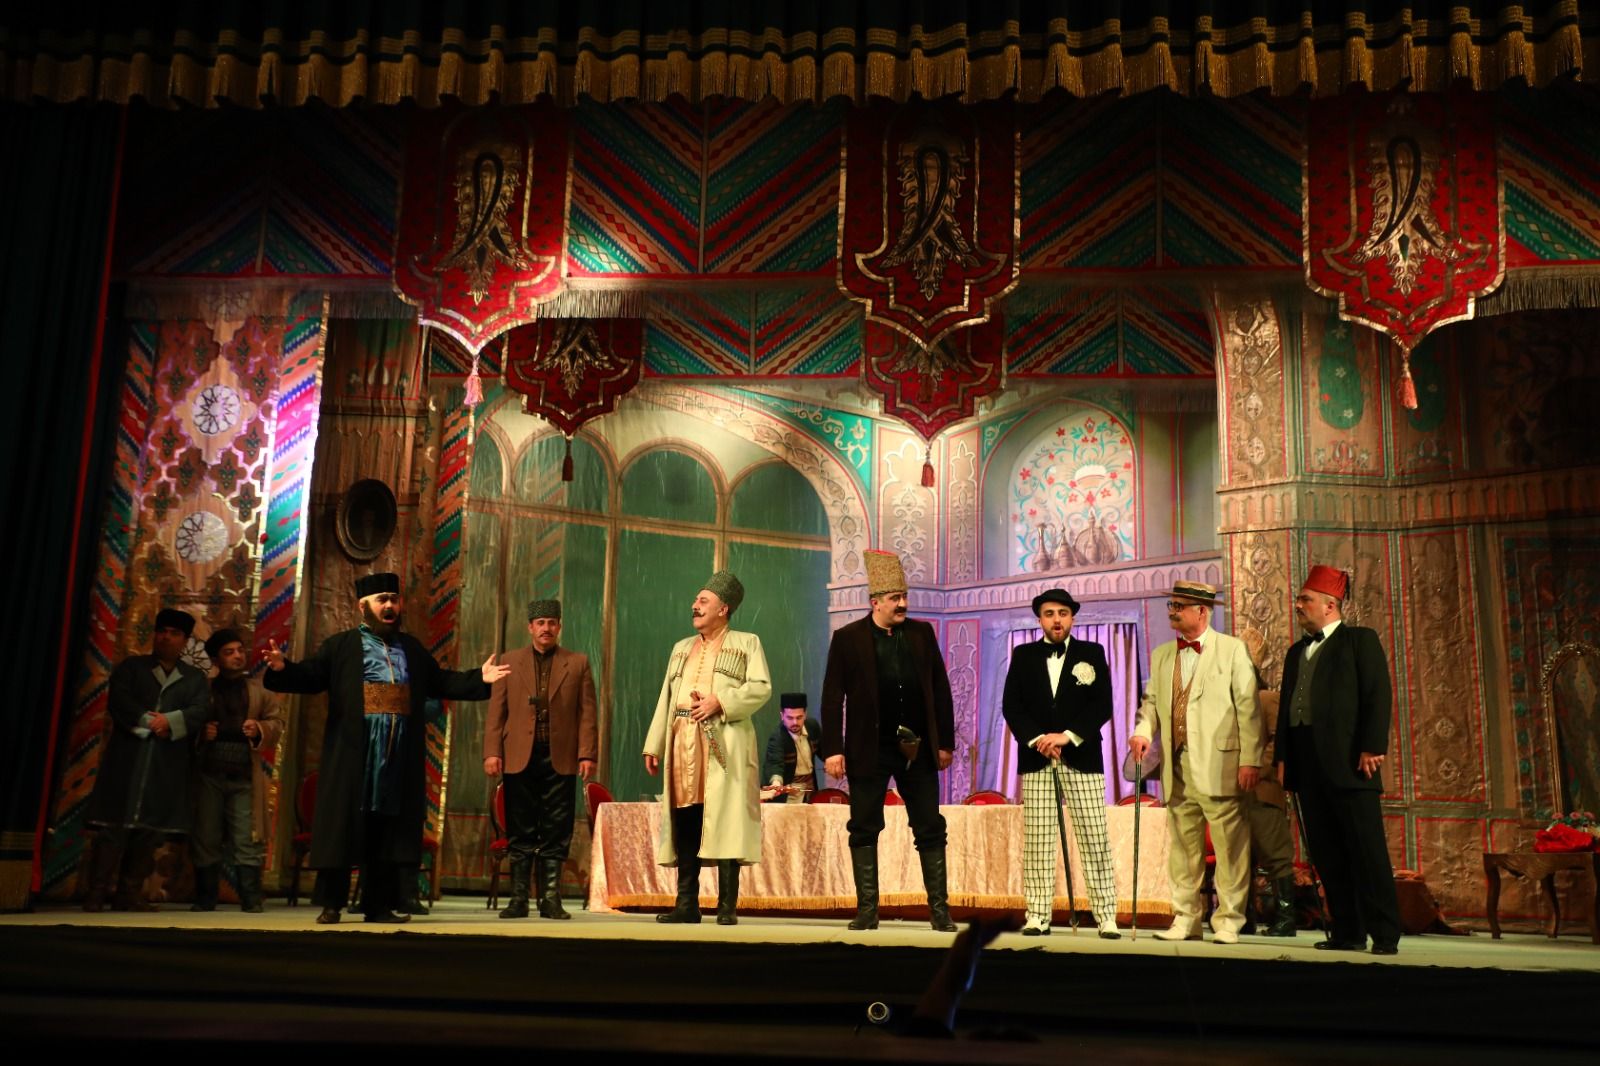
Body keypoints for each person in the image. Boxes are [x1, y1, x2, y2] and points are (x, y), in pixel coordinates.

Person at [263, 572, 510, 924]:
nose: (390, 606)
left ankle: (378, 906)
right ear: (363, 606)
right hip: (354, 753)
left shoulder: (411, 648)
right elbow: (311, 676)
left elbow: (440, 681)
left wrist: (478, 678)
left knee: (388, 831)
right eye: (382, 600)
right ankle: (332, 905)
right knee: (345, 826)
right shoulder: (341, 646)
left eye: (394, 599)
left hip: (396, 757)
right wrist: (282, 669)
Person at [821, 549, 958, 932]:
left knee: (930, 825)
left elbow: (940, 689)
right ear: (875, 602)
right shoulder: (848, 638)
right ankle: (867, 910)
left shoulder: (921, 633)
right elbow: (832, 697)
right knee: (864, 825)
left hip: (918, 749)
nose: (903, 604)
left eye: (904, 597)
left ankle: (940, 911)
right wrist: (832, 749)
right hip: (869, 749)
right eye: (896, 598)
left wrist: (944, 743)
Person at [1277, 565, 1402, 955]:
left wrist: (1371, 745)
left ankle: (1385, 934)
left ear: (1330, 605)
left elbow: (1377, 694)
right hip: (1308, 764)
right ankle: (1347, 931)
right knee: (1327, 854)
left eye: (1306, 599)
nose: (1298, 605)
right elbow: (1285, 710)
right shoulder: (1296, 652)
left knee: (1366, 851)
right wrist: (1283, 758)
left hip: (1350, 763)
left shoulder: (1359, 641)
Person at [1130, 580, 1261, 944]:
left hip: (1221, 764)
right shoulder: (1162, 655)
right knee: (1183, 848)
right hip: (1177, 765)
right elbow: (1151, 702)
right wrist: (1142, 731)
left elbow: (1248, 708)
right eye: (1171, 605)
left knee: (1229, 847)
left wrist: (1250, 760)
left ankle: (1229, 920)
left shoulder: (1231, 650)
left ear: (1202, 611)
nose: (1172, 612)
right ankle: (1186, 918)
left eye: (1179, 606)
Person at [642, 571, 771, 925]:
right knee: (686, 817)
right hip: (682, 741)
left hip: (724, 742)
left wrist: (721, 702)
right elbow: (666, 697)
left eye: (703, 601)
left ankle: (727, 906)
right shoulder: (681, 648)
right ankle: (687, 904)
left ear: (723, 609)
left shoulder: (747, 643)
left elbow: (761, 687)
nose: (694, 606)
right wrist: (654, 744)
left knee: (726, 817)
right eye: (696, 600)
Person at [1000, 588, 1121, 939]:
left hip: (1082, 756)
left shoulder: (1092, 653)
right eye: (1050, 614)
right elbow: (1012, 706)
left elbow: (1102, 705)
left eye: (1063, 613)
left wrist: (1067, 736)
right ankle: (1037, 914)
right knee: (1038, 840)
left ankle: (1106, 915)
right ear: (1040, 619)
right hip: (1037, 758)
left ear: (1072, 618)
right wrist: (1039, 739)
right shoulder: (1023, 655)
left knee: (1094, 836)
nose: (1057, 620)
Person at [83, 608, 211, 912]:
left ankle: (128, 893)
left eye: (174, 633)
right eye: (162, 631)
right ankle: (96, 893)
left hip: (165, 763)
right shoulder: (133, 668)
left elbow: (199, 711)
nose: (166, 637)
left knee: (150, 829)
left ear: (185, 640)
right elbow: (120, 700)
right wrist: (147, 721)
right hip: (128, 757)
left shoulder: (194, 678)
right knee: (113, 826)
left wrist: (169, 721)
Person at [483, 597, 599, 919]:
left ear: (559, 626)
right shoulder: (509, 661)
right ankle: (518, 899)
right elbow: (497, 712)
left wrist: (587, 754)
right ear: (530, 627)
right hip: (518, 755)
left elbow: (588, 714)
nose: (546, 628)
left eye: (552, 622)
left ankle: (550, 900)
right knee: (519, 827)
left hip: (560, 756)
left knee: (557, 828)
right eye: (540, 623)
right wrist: (492, 751)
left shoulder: (577, 663)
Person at [191, 627, 284, 913]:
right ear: (216, 659)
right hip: (210, 773)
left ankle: (251, 898)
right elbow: (187, 720)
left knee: (247, 837)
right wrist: (202, 733)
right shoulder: (203, 689)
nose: (237, 656)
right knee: (206, 835)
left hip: (244, 774)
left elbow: (277, 723)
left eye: (240, 650)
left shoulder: (258, 689)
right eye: (229, 652)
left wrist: (259, 728)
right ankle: (205, 899)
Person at [1245, 686, 1297, 936]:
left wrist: (1257, 769)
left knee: (1275, 853)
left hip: (1262, 789)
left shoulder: (1266, 699)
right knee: (1239, 857)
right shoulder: (1231, 702)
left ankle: (1286, 918)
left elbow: (1280, 741)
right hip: (1235, 793)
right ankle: (1243, 917)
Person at [762, 693, 821, 803]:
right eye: (790, 718)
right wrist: (776, 783)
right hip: (789, 793)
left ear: (805, 714)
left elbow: (824, 751)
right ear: (782, 716)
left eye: (799, 717)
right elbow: (775, 763)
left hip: (810, 788)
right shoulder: (778, 737)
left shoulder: (812, 727)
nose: (795, 722)